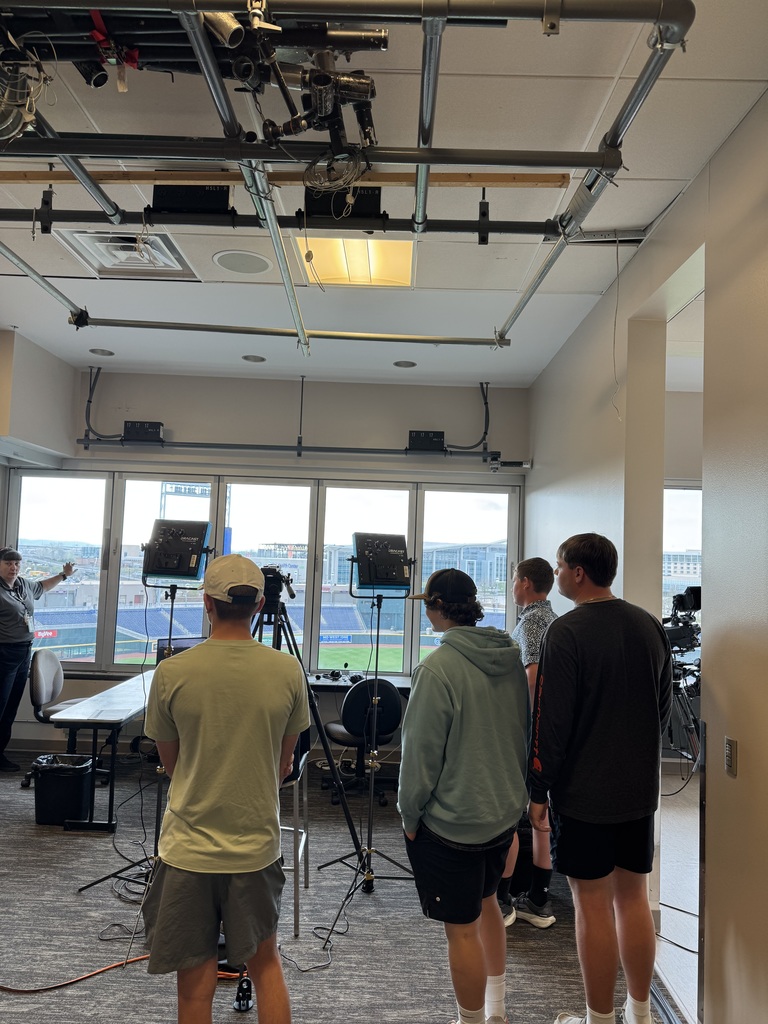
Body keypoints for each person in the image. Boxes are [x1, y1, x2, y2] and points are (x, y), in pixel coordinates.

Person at [142, 554, 310, 1024]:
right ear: (259, 606)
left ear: (207, 604)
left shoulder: (172, 672)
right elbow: (284, 765)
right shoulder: (288, 671)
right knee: (266, 965)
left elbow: (171, 764)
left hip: (187, 851)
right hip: (255, 848)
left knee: (195, 984)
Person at [528, 534, 672, 1024]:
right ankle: (641, 1013)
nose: (556, 574)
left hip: (584, 794)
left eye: (559, 566)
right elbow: (662, 710)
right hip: (638, 791)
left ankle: (599, 1018)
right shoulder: (649, 625)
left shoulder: (566, 632)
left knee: (591, 905)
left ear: (578, 573)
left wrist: (537, 789)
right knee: (633, 898)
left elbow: (551, 722)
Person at [398, 568, 529, 1024]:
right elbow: (521, 732)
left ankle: (471, 1020)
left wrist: (409, 816)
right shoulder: (510, 657)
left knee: (462, 932)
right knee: (490, 902)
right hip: (502, 813)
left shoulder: (436, 668)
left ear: (437, 607)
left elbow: (419, 757)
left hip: (453, 823)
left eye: (428, 606)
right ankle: (496, 1012)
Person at [496, 557, 558, 929]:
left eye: (514, 580)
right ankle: (538, 898)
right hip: (551, 734)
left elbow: (532, 677)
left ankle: (503, 901)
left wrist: (520, 724)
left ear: (525, 583)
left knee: (513, 814)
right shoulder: (553, 619)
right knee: (540, 814)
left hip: (531, 734)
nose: (512, 587)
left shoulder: (532, 622)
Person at [0, 546, 75, 772]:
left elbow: (43, 586)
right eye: (8, 563)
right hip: (4, 653)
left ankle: (0, 754)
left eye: (17, 563)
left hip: (24, 652)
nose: (14, 568)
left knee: (10, 708)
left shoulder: (23, 585)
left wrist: (63, 575)